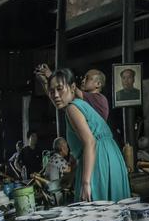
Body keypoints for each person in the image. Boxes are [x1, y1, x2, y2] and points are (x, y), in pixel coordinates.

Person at [47, 68, 130, 202]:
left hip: (98, 158)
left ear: (72, 87)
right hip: (111, 156)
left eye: (60, 88)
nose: (55, 95)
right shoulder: (81, 104)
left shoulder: (72, 108)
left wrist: (85, 183)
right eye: (51, 91)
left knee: (94, 213)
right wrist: (72, 174)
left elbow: (90, 142)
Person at [35, 64, 109, 119]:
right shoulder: (81, 103)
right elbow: (57, 98)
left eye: (88, 78)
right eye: (84, 78)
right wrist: (44, 82)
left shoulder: (100, 99)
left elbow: (73, 90)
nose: (83, 81)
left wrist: (51, 76)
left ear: (98, 84)